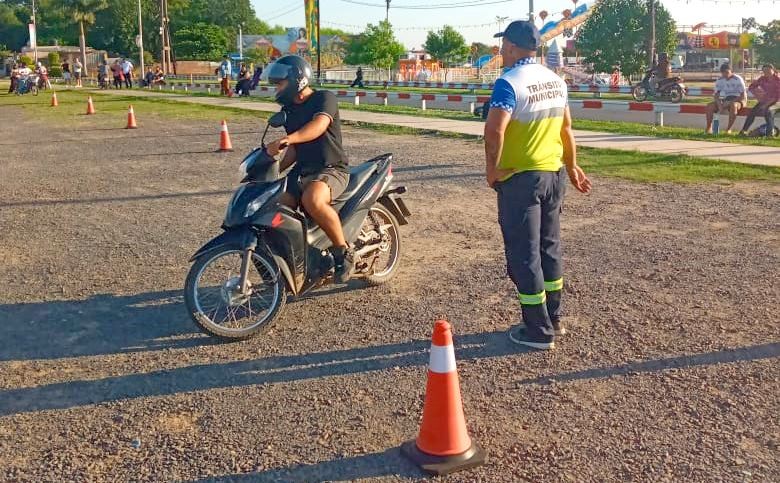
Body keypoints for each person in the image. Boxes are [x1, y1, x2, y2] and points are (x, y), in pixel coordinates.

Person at [484, 20, 592, 350]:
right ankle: (554, 318)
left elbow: (495, 130)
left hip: (521, 178)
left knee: (524, 253)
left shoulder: (508, 83)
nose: (501, 50)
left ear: (512, 47)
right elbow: (566, 129)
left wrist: (492, 169)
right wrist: (572, 166)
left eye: (504, 45)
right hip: (553, 175)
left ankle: (537, 330)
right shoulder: (556, 81)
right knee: (549, 247)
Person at [264, 55, 355, 283]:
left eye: (280, 84)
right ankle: (308, 256)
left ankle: (343, 251)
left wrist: (287, 139)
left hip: (331, 168)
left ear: (297, 79)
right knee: (274, 206)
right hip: (302, 171)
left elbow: (318, 126)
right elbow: (294, 149)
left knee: (312, 199)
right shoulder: (290, 109)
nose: (277, 89)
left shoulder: (324, 98)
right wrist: (273, 169)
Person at [739, 64, 780, 137]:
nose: (766, 72)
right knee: (752, 112)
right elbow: (751, 87)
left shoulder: (778, 80)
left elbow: (777, 97)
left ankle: (769, 134)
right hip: (765, 101)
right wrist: (757, 93)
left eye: (768, 70)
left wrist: (766, 105)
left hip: (777, 102)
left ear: (773, 70)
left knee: (768, 111)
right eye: (764, 71)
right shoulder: (762, 79)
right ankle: (743, 131)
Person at [705, 64, 747, 134]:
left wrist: (729, 103)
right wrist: (719, 104)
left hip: (738, 99)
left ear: (731, 71)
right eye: (723, 73)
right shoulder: (720, 80)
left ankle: (728, 129)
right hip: (726, 99)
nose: (725, 75)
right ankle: (708, 128)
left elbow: (742, 96)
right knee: (710, 106)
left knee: (733, 105)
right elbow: (716, 95)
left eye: (727, 72)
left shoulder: (738, 79)